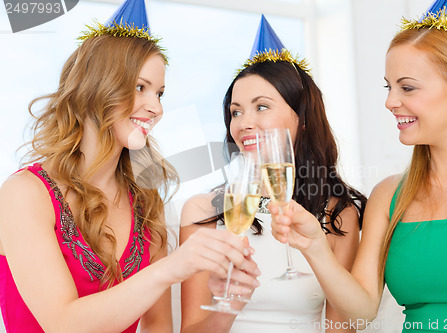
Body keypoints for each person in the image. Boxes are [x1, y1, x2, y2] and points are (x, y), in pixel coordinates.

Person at [0, 0, 256, 332]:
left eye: (160, 93)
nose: (156, 108)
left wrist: (230, 303)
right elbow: (62, 323)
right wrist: (171, 268)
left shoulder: (147, 204)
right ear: (95, 88)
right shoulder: (24, 194)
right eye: (140, 88)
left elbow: (157, 328)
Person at [270, 1, 447, 332]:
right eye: (388, 87)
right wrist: (315, 247)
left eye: (407, 87)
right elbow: (361, 310)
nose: (390, 101)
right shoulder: (390, 194)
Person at [179, 15, 367, 333]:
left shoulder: (337, 212)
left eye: (261, 107)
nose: (243, 123)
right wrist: (230, 306)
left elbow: (343, 326)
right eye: (235, 111)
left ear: (303, 119)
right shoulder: (203, 211)